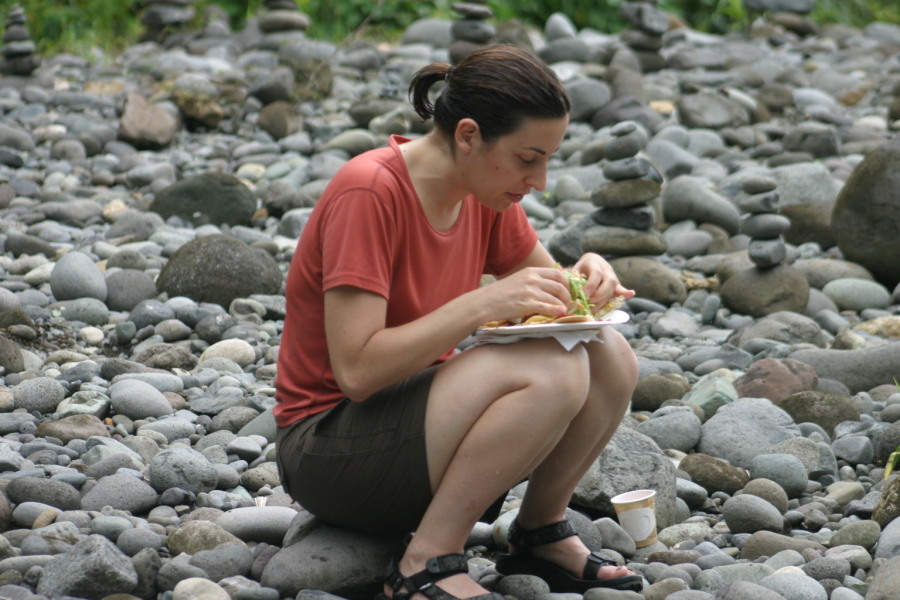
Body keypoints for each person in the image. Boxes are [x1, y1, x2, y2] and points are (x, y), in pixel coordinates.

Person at [274, 44, 642, 600]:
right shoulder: (369, 191)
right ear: (468, 135)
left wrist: (588, 279)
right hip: (328, 450)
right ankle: (424, 564)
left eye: (547, 160)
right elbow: (356, 371)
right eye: (527, 158)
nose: (538, 180)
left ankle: (539, 531)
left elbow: (560, 302)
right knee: (551, 372)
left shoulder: (485, 193)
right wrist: (480, 305)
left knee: (608, 353)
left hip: (415, 434)